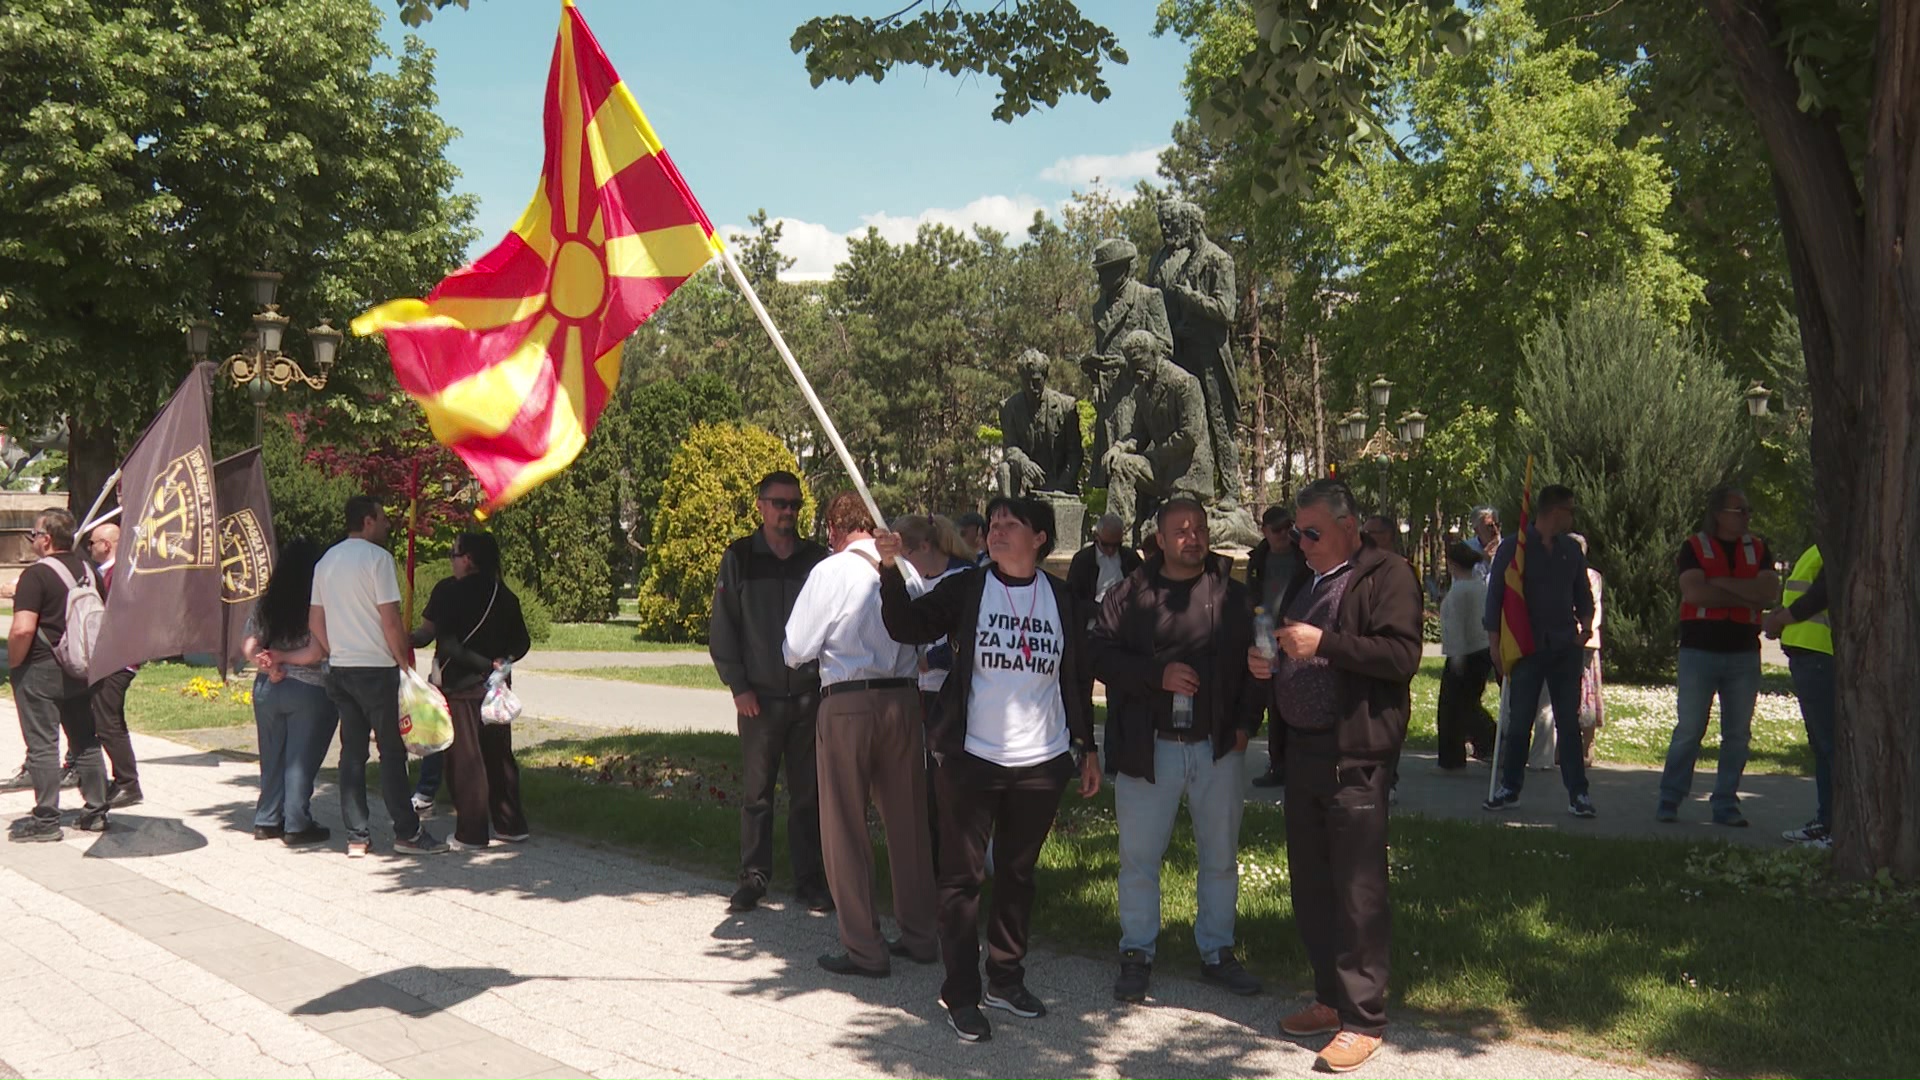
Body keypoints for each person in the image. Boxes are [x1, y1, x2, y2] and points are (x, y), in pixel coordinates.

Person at [876, 495, 1103, 1043]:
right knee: (960, 881)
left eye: (1011, 524)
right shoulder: (968, 588)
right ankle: (960, 992)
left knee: (1018, 877)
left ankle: (1005, 977)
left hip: (1041, 763)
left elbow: (1075, 679)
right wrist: (887, 570)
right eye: (993, 523)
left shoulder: (1063, 598)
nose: (996, 531)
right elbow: (906, 624)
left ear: (1040, 539)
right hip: (971, 759)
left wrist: (1086, 746)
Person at [1245, 479, 1421, 1073]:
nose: (1303, 542)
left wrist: (1326, 643)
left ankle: (1364, 1019)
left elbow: (1401, 657)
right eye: (1298, 533)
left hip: (1355, 752)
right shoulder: (1302, 578)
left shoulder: (1387, 574)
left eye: (1313, 532)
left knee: (1358, 890)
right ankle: (1329, 997)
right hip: (1303, 754)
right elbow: (1288, 644)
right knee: (1312, 884)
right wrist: (1265, 663)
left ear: (1349, 526)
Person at [1092, 498, 1264, 1004]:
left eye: (1199, 529)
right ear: (1160, 540)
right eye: (1181, 531)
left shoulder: (1234, 597)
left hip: (1217, 749)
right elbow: (1099, 653)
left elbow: (1262, 661)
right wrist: (1155, 676)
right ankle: (1137, 952)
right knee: (1139, 859)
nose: (1193, 537)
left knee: (1220, 857)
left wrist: (1246, 724)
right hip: (1151, 748)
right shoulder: (1129, 595)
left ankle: (1217, 952)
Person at [782, 491, 937, 979]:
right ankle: (920, 934)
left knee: (845, 826)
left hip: (849, 699)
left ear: (833, 529)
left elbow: (795, 648)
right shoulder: (906, 572)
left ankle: (865, 949)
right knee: (909, 822)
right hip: (904, 700)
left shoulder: (829, 572)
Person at [709, 472, 831, 913]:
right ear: (760, 506)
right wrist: (738, 686)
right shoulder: (740, 557)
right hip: (757, 700)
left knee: (808, 796)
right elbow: (723, 627)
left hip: (808, 697)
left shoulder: (817, 560)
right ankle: (753, 878)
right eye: (780, 503)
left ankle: (811, 880)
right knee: (757, 796)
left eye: (795, 505)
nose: (788, 512)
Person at [308, 495, 445, 857]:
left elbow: (314, 621)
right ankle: (407, 832)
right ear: (368, 520)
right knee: (391, 752)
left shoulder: (326, 562)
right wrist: (404, 662)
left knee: (352, 752)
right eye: (382, 517)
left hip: (340, 668)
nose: (388, 524)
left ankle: (356, 835)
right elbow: (389, 618)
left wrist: (335, 648)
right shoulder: (378, 561)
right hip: (377, 668)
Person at [1657, 485, 1776, 827]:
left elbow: (1768, 592)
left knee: (1738, 735)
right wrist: (1745, 593)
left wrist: (1721, 583)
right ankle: (1670, 798)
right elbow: (1695, 592)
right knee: (1690, 730)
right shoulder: (1695, 546)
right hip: (1699, 652)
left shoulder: (1759, 548)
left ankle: (1725, 803)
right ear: (1719, 514)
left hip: (1743, 654)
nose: (1747, 517)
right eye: (1740, 510)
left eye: (1747, 510)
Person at [406, 533, 530, 850]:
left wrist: (400, 636)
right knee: (499, 756)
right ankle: (510, 823)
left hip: (462, 687)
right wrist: (502, 663)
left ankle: (472, 832)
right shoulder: (504, 595)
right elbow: (522, 642)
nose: (451, 560)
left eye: (453, 554)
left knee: (467, 759)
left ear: (469, 559)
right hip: (497, 689)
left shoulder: (450, 592)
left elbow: (444, 643)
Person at [1481, 484, 1597, 818]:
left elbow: (1583, 595)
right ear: (1554, 510)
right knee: (1519, 722)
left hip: (1563, 647)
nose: (1573, 516)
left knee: (1568, 722)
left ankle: (1578, 794)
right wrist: (1495, 646)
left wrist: (1585, 631)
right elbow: (1496, 598)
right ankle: (1509, 787)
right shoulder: (1514, 549)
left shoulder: (1571, 551)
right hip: (1525, 646)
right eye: (1569, 509)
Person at [5, 509, 109, 841]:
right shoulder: (88, 571)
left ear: (46, 539)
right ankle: (96, 812)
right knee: (85, 741)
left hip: (40, 667)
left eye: (33, 535)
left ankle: (46, 820)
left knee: (42, 745)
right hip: (81, 667)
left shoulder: (35, 576)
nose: (32, 540)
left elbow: (22, 629)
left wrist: (14, 666)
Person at [889, 513, 978, 873]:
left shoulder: (964, 579)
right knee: (925, 788)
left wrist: (936, 658)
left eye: (906, 555)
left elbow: (967, 636)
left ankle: (958, 867)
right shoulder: (919, 581)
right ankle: (932, 868)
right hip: (921, 694)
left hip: (951, 695)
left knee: (949, 789)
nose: (906, 565)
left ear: (925, 546)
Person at [242, 539, 338, 845]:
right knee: (301, 759)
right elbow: (316, 651)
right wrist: (284, 658)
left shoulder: (267, 601)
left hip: (267, 688)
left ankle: (267, 819)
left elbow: (248, 645)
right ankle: (297, 823)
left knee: (271, 756)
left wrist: (269, 662)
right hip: (308, 689)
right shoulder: (317, 603)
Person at [1147, 199, 1240, 504]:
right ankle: (1195, 488)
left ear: (1191, 225)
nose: (1168, 231)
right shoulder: (1187, 260)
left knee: (1218, 423)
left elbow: (1226, 311)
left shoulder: (1218, 259)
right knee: (1191, 424)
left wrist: (1190, 298)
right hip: (1186, 354)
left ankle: (1231, 492)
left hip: (1211, 357)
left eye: (1174, 224)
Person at [1082, 238, 1173, 488]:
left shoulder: (1148, 297)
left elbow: (1165, 347)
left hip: (1138, 398)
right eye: (1099, 272)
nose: (1100, 279)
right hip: (1109, 400)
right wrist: (1095, 374)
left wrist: (1126, 363)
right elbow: (1102, 347)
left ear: (1123, 269)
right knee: (1109, 469)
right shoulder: (1099, 306)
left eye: (1105, 271)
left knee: (1133, 467)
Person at [1102, 329, 1213, 530]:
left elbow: (1189, 436)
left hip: (1187, 474)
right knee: (1121, 464)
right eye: (1131, 365)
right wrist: (1119, 447)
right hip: (1161, 469)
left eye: (1138, 363)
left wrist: (1153, 456)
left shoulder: (1184, 383)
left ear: (1154, 354)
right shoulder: (1141, 392)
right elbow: (1139, 434)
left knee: (1173, 528)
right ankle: (1116, 534)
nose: (1135, 371)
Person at [1763, 545, 1834, 848]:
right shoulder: (1819, 545)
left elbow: (1823, 594)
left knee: (1831, 746)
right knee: (1822, 745)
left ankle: (1835, 827)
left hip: (1821, 654)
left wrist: (1783, 619)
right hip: (1810, 655)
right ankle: (1826, 820)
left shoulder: (1835, 541)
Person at [1524, 534, 1605, 771]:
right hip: (1559, 640)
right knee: (1554, 698)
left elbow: (1592, 606)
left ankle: (1586, 748)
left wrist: (1581, 634)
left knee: (1585, 699)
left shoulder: (1592, 576)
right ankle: (1554, 752)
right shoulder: (1552, 573)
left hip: (1582, 642)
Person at [85, 522, 141, 807]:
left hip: (118, 658)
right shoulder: (109, 574)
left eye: (92, 542)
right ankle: (122, 780)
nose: (90, 547)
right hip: (112, 657)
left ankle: (128, 784)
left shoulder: (117, 576)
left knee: (109, 723)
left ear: (106, 544)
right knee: (107, 720)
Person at [1247, 505, 1300, 788]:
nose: (1283, 533)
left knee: (1296, 700)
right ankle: (1278, 764)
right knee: (1274, 703)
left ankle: (1298, 764)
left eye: (1287, 527)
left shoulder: (1303, 556)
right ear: (1265, 531)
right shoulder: (1258, 558)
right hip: (1266, 636)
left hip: (1297, 634)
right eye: (1276, 529)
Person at [1435, 543, 1495, 769]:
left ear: (1452, 564)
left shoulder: (1460, 591)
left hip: (1464, 652)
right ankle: (1487, 742)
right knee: (1469, 703)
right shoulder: (1480, 586)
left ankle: (1452, 757)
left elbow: (1457, 626)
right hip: (1482, 649)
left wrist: (1457, 658)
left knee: (1452, 708)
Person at [999, 349, 1083, 496]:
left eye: (1036, 381)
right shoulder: (1009, 407)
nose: (1031, 387)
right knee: (1004, 469)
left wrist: (1061, 486)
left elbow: (1075, 454)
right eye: (1026, 381)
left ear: (1045, 377)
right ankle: (1009, 513)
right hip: (1026, 484)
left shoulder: (1066, 406)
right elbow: (1009, 447)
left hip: (1059, 483)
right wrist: (1023, 463)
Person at [1065, 513, 1141, 615]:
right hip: (1093, 618)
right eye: (1105, 544)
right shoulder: (1083, 560)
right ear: (1097, 537)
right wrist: (1101, 610)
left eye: (1116, 545)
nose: (1111, 550)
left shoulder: (1130, 558)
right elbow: (1072, 598)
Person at [1467, 507, 1501, 581]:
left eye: (1497, 525)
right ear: (1477, 530)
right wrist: (1485, 561)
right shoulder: (1467, 550)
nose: (1495, 530)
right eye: (1489, 526)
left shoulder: (1508, 547)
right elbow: (1467, 583)